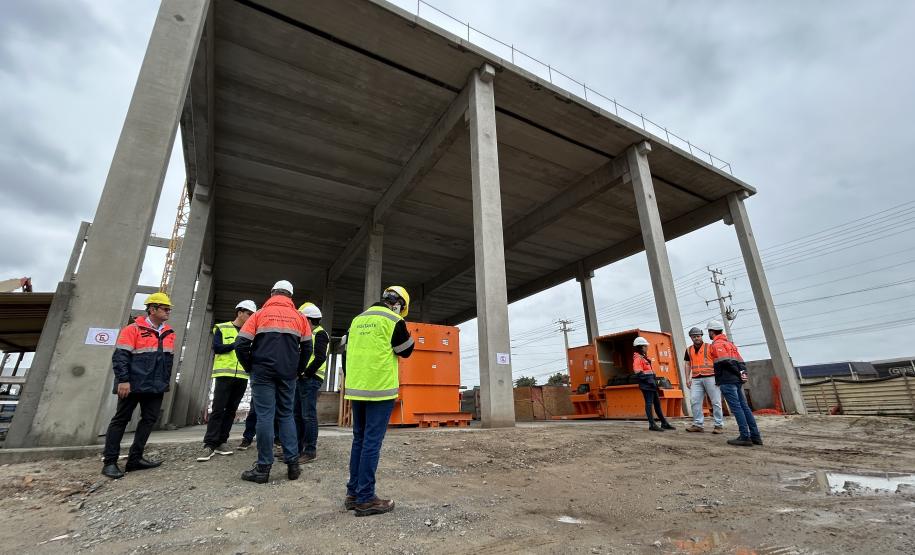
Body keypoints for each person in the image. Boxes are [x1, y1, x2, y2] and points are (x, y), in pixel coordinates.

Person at [344, 286, 414, 516]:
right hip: (379, 389)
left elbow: (345, 350)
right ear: (399, 305)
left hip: (356, 388)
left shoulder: (357, 320)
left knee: (359, 440)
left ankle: (353, 494)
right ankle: (365, 498)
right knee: (371, 443)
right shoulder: (393, 320)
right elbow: (406, 350)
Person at [235, 280, 313, 483]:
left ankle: (263, 469)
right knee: (286, 415)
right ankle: (293, 465)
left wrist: (250, 366)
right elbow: (308, 349)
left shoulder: (259, 314)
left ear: (272, 293)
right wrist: (298, 369)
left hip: (262, 372)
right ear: (290, 297)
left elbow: (241, 343)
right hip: (288, 373)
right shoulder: (300, 317)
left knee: (265, 417)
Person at [101, 292, 176, 479]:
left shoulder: (169, 333)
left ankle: (135, 460)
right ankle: (110, 462)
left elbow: (168, 361)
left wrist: (164, 383)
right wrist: (123, 380)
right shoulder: (132, 329)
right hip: (132, 384)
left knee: (149, 420)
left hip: (156, 386)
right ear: (152, 309)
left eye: (169, 309)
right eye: (165, 308)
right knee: (120, 420)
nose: (168, 311)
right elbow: (120, 357)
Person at [197, 300, 257, 462]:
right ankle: (209, 444)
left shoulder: (252, 333)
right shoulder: (223, 328)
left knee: (231, 411)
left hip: (242, 376)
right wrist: (236, 344)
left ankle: (222, 442)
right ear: (240, 312)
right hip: (224, 375)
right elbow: (217, 348)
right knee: (218, 409)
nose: (251, 317)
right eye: (249, 314)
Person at [707, 320, 762, 447]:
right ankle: (755, 436)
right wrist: (742, 375)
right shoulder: (730, 344)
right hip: (736, 381)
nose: (708, 334)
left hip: (728, 380)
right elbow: (741, 362)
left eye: (709, 331)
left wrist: (736, 374)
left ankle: (744, 436)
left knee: (737, 408)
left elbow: (725, 362)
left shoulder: (717, 345)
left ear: (712, 331)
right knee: (744, 407)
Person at [296, 302, 330, 463]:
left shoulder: (320, 334)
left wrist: (305, 373)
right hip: (302, 379)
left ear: (308, 320)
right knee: (297, 415)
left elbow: (320, 357)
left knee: (308, 416)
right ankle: (295, 450)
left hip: (310, 379)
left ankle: (309, 451)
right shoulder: (307, 335)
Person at [683, 327, 724, 434]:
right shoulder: (688, 350)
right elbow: (687, 364)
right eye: (694, 336)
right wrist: (687, 378)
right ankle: (698, 424)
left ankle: (718, 425)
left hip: (711, 377)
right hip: (696, 379)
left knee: (716, 402)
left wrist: (719, 376)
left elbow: (717, 361)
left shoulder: (710, 347)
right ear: (691, 337)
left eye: (698, 336)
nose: (696, 338)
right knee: (694, 401)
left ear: (701, 336)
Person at [632, 336, 675, 432]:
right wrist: (649, 381)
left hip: (651, 384)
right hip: (647, 385)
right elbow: (638, 372)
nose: (647, 347)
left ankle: (664, 423)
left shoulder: (643, 358)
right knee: (649, 404)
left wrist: (654, 381)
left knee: (657, 404)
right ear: (641, 347)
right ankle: (652, 424)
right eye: (645, 346)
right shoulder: (638, 358)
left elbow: (647, 372)